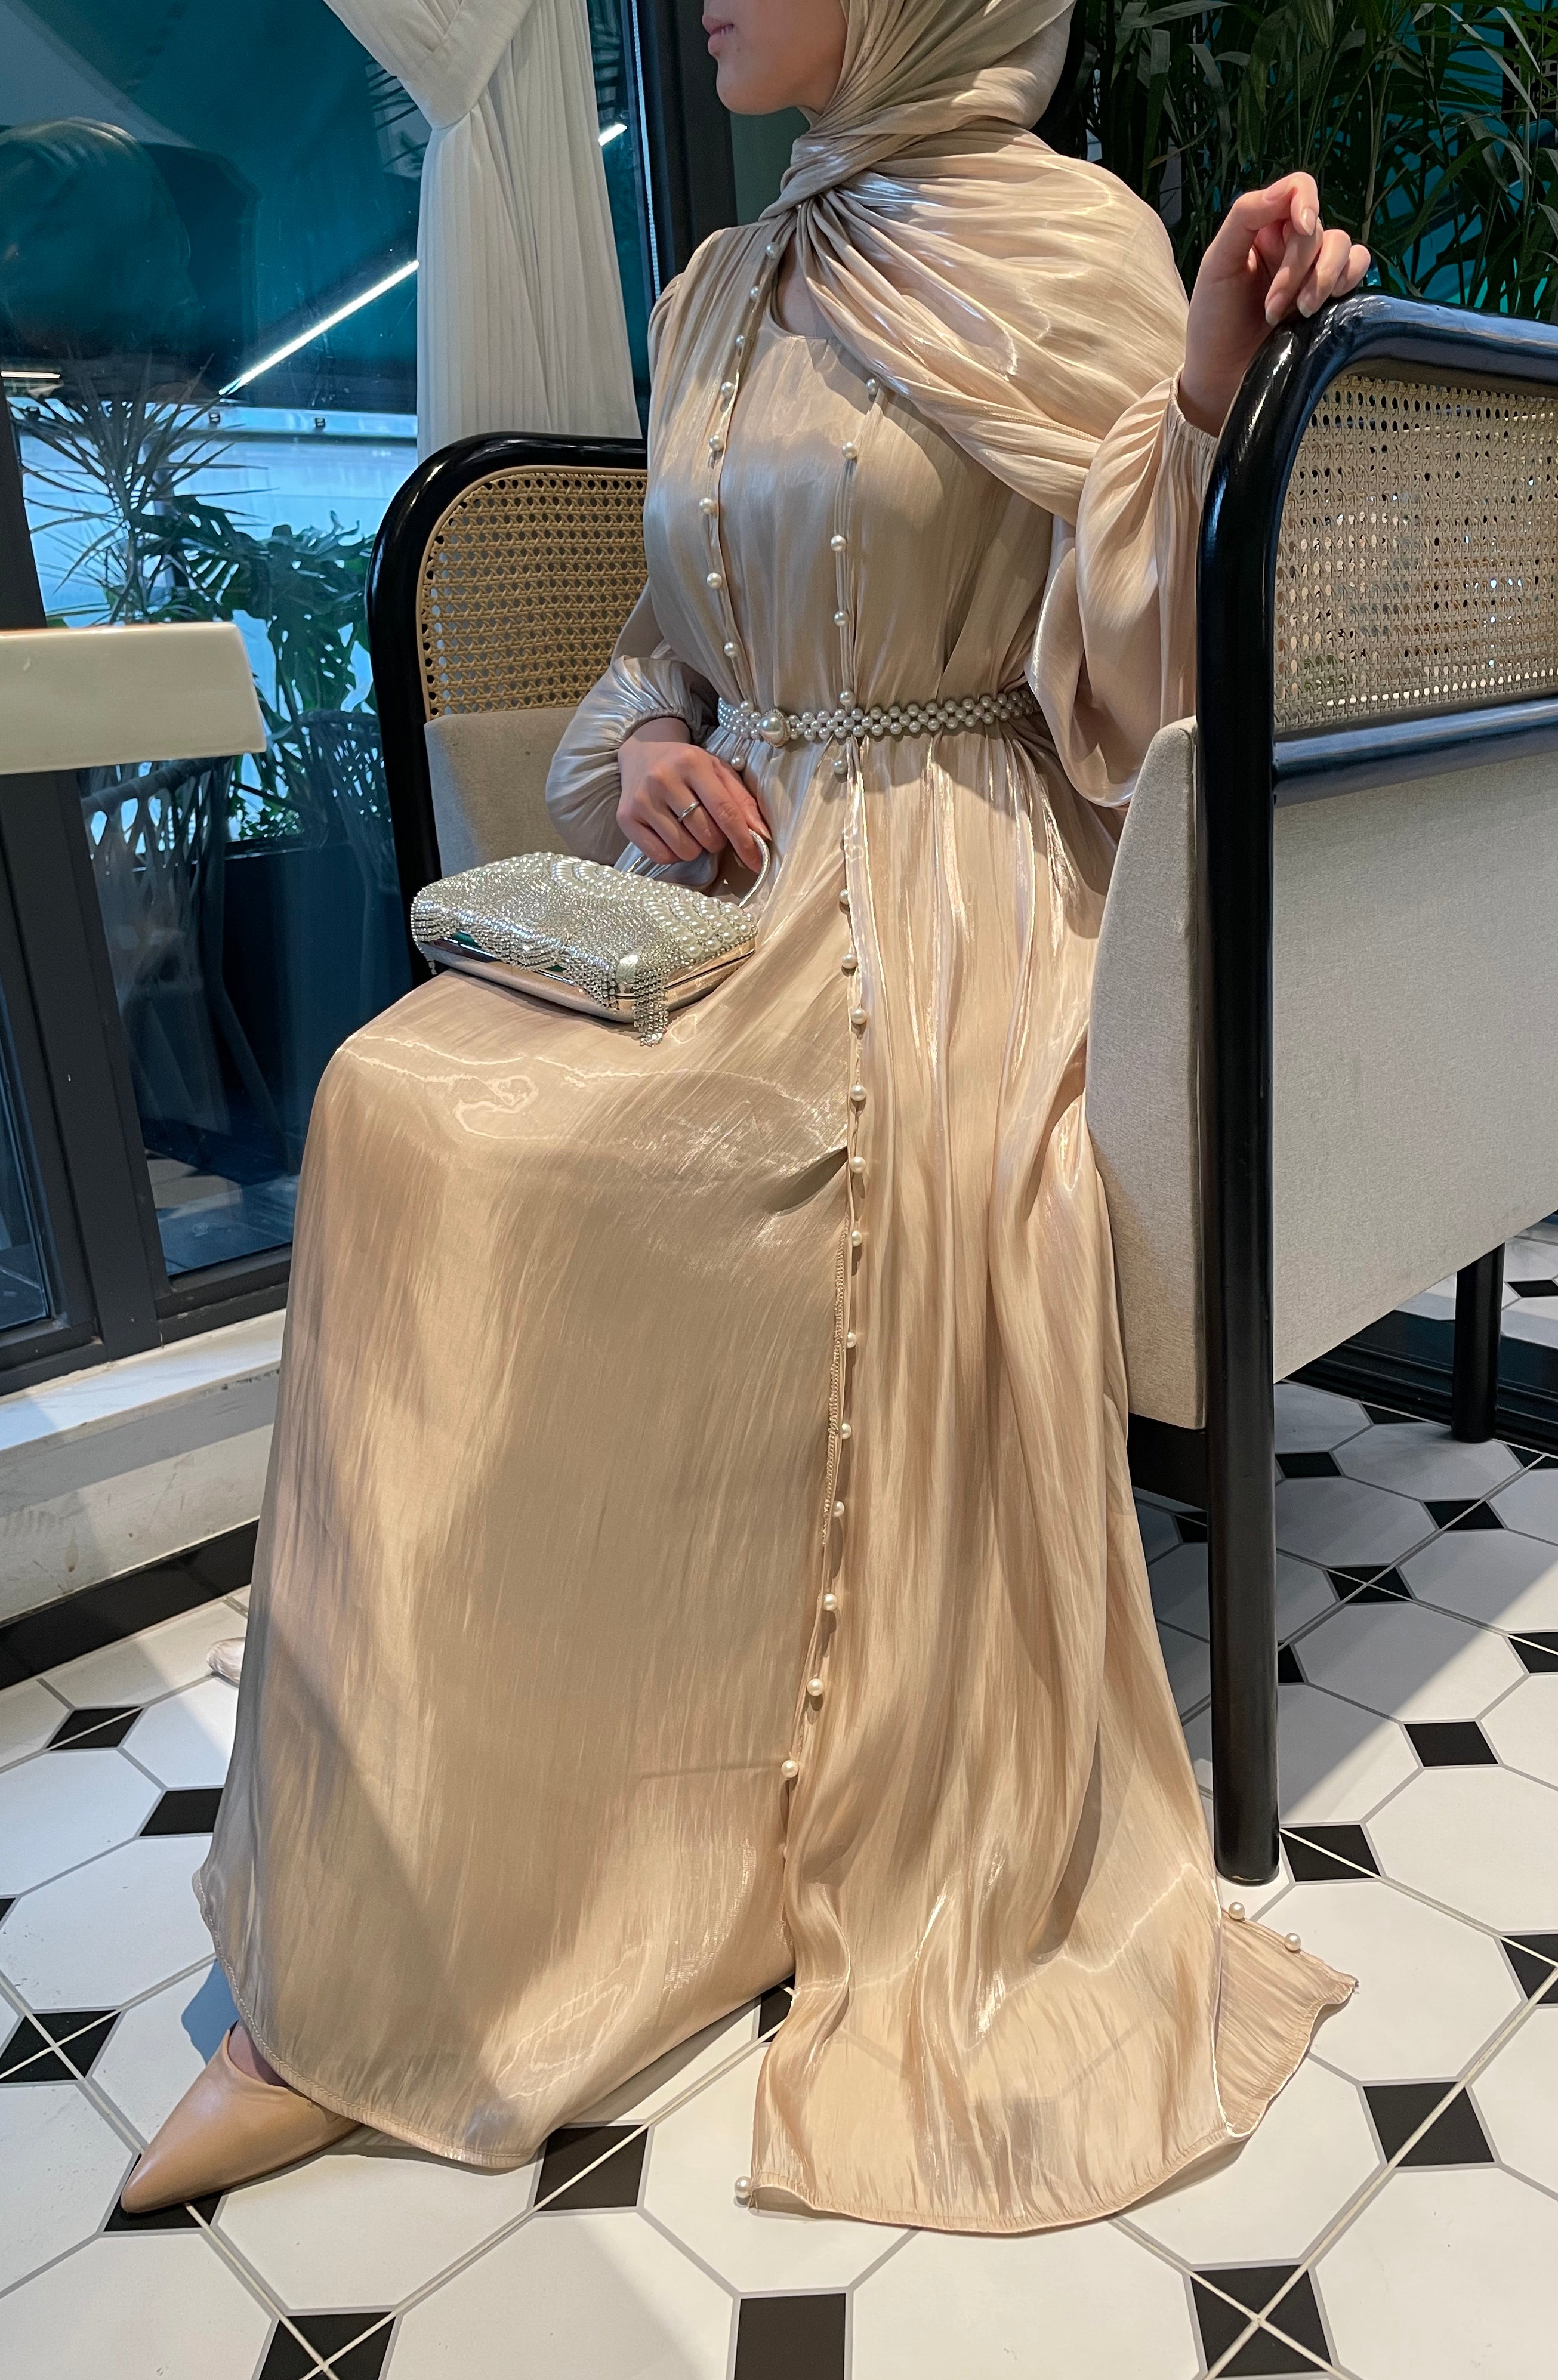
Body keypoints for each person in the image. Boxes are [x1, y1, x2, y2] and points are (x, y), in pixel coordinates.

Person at [125, 0, 1369, 2231]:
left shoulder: (1072, 244)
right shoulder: (715, 284)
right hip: (722, 891)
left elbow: (1150, 687)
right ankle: (394, 1919)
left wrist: (1196, 398)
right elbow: (659, 642)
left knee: (485, 1159)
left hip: (957, 885)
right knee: (394, 1103)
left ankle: (553, 1891)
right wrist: (648, 753)